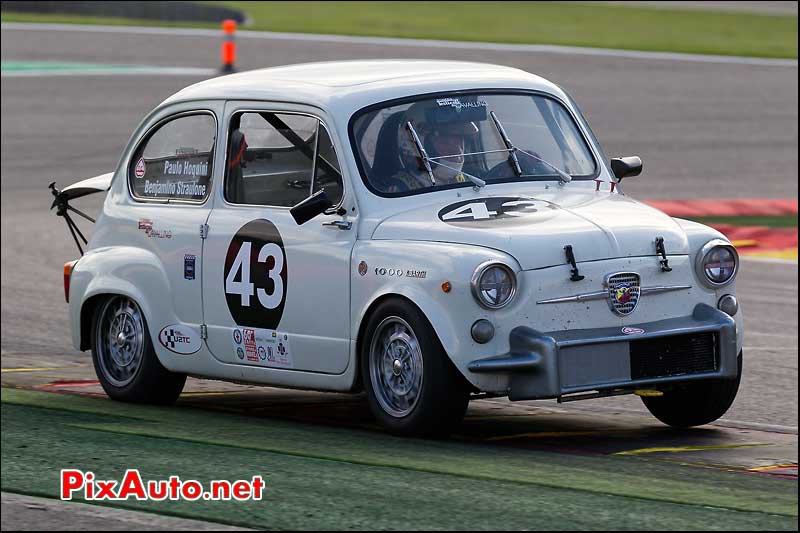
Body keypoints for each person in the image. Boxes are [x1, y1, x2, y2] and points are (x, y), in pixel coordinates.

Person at [387, 101, 480, 193]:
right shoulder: (399, 192)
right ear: (414, 144)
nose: (457, 149)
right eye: (445, 140)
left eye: (460, 139)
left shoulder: (471, 181)